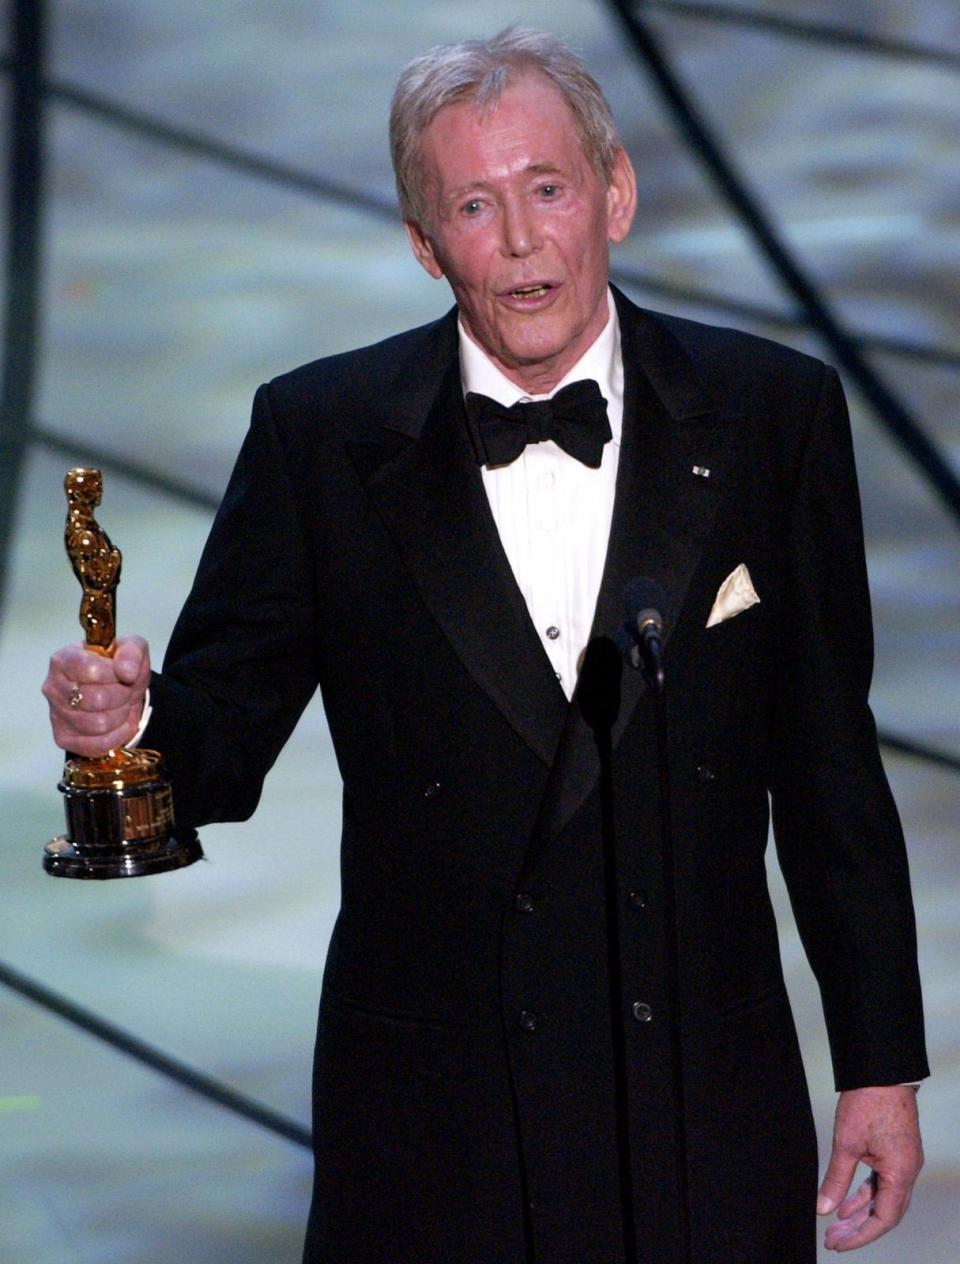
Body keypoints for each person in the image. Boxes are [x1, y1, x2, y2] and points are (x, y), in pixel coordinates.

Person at [42, 28, 927, 1264]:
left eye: (547, 190)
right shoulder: (323, 437)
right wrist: (129, 726)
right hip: (435, 1128)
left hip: (698, 1110)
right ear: (422, 242)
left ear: (614, 195)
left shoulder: (774, 412)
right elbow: (222, 732)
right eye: (472, 204)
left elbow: (831, 765)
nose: (518, 241)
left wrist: (881, 1065)